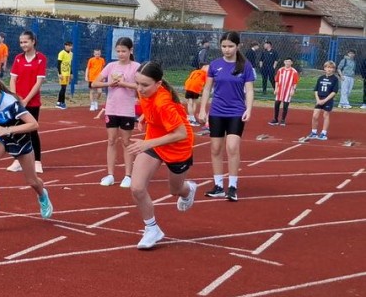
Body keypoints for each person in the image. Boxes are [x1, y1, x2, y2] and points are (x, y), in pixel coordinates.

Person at [127, 61, 196, 250]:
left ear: (158, 84)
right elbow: (150, 108)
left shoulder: (163, 103)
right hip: (154, 142)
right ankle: (152, 229)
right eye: (137, 83)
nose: (139, 88)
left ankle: (188, 190)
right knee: (137, 187)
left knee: (175, 190)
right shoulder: (146, 92)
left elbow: (181, 133)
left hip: (177, 147)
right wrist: (143, 118)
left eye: (145, 85)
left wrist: (148, 143)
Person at [0, 71, 53, 219]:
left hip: (20, 140)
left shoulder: (11, 103)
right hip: (1, 138)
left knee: (32, 181)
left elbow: (34, 124)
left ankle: (43, 196)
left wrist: (8, 129)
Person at [198, 31, 255, 202]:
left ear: (238, 46)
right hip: (216, 112)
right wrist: (202, 109)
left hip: (236, 112)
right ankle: (218, 186)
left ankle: (232, 186)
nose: (227, 49)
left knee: (232, 147)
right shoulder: (214, 65)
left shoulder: (245, 66)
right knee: (215, 149)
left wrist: (249, 109)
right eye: (224, 46)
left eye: (230, 46)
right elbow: (207, 89)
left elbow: (250, 90)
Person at [90, 37, 141, 188]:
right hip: (112, 108)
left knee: (126, 142)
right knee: (111, 141)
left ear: (130, 51)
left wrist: (123, 83)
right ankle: (110, 174)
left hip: (127, 110)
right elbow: (94, 83)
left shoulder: (136, 66)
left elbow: (140, 86)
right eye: (118, 51)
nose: (120, 54)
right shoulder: (111, 66)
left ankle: (128, 175)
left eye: (124, 51)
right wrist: (108, 83)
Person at [7, 30, 48, 173]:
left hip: (32, 102)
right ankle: (18, 160)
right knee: (17, 131)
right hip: (18, 101)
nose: (23, 44)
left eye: (25, 42)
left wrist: (26, 100)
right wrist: (15, 97)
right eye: (21, 42)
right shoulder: (18, 58)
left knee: (32, 131)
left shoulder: (41, 58)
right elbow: (13, 79)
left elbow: (38, 83)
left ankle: (37, 161)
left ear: (33, 41)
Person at [306, 61, 339, 141]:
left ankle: (323, 133)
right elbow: (316, 90)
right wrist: (318, 99)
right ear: (324, 68)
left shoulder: (335, 79)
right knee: (315, 116)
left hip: (328, 99)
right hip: (319, 99)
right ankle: (314, 132)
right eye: (328, 67)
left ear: (334, 69)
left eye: (331, 68)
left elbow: (334, 92)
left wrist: (324, 100)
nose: (329, 69)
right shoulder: (321, 78)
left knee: (325, 115)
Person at [269, 57, 299, 126]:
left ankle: (283, 120)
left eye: (289, 61)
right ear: (284, 62)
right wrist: (276, 89)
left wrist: (293, 90)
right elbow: (277, 80)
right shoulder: (280, 70)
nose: (287, 63)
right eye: (286, 61)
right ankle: (275, 119)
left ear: (291, 63)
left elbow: (295, 82)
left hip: (288, 91)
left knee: (285, 105)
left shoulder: (294, 71)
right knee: (276, 104)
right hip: (280, 90)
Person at [56, 41, 74, 109]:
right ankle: (62, 102)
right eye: (69, 46)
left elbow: (69, 64)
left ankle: (58, 102)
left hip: (67, 73)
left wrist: (71, 73)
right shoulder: (61, 53)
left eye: (71, 46)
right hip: (62, 73)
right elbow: (58, 64)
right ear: (65, 46)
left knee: (64, 88)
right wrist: (60, 73)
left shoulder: (71, 54)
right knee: (63, 88)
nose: (71, 47)